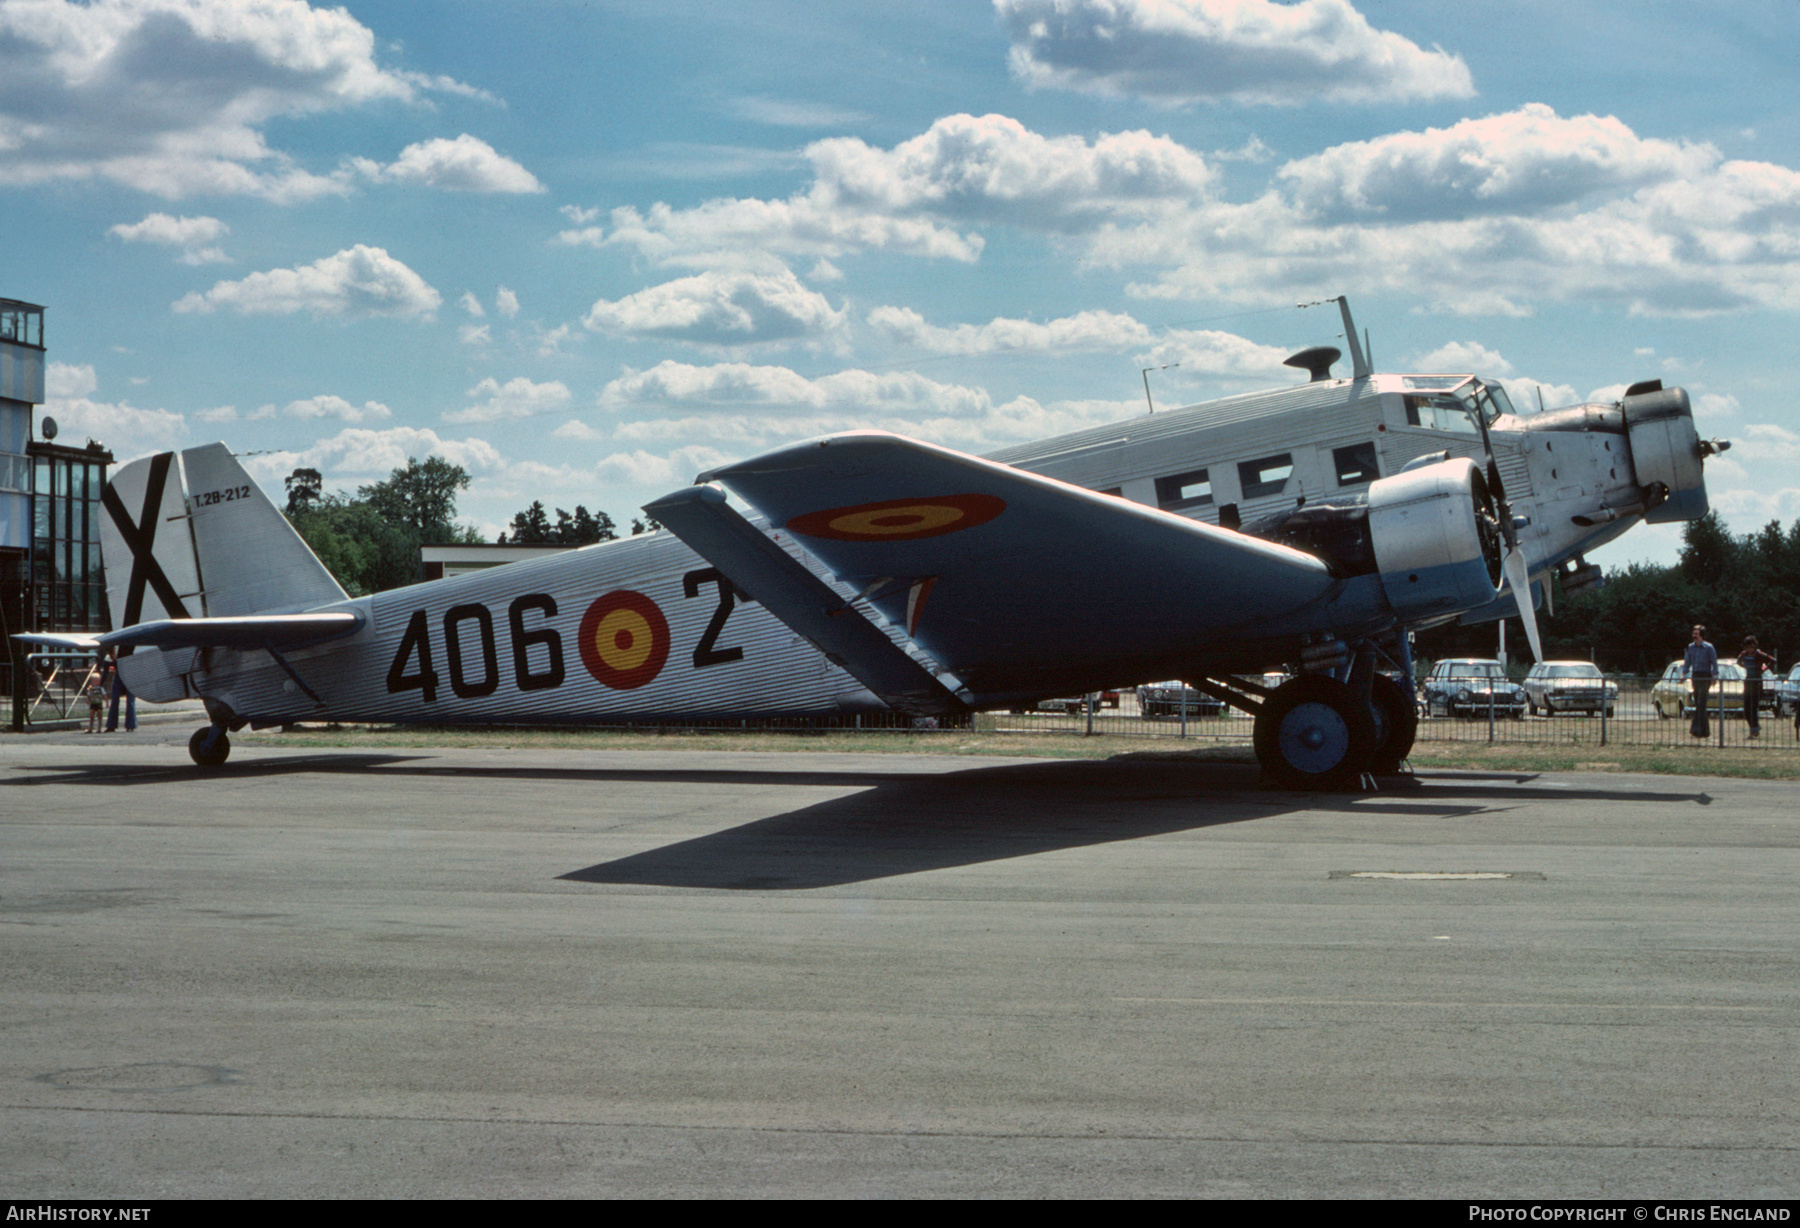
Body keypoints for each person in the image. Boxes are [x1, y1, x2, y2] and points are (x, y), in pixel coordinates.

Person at [1681, 625, 1718, 739]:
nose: (1694, 636)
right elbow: (1687, 662)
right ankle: (1702, 731)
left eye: (1696, 634)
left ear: (1701, 635)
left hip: (1705, 676)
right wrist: (1684, 673)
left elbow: (1714, 662)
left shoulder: (1709, 647)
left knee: (1702, 702)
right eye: (1693, 634)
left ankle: (1696, 730)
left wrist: (1714, 675)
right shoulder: (1691, 647)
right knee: (1698, 703)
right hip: (1695, 676)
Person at [1738, 636, 1777, 740]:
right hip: (1748, 681)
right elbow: (1738, 661)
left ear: (1755, 646)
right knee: (1746, 709)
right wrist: (1745, 666)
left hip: (1757, 682)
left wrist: (1763, 668)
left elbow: (1773, 660)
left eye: (1752, 647)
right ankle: (1755, 727)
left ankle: (1753, 731)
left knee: (1753, 708)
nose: (1750, 649)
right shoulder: (1744, 654)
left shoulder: (1759, 654)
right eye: (1748, 647)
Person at [84, 662, 107, 734]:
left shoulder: (100, 688)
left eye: (98, 681)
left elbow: (105, 694)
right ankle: (90, 728)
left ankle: (99, 728)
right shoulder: (90, 689)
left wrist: (106, 702)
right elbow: (88, 695)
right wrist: (87, 700)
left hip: (99, 703)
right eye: (95, 681)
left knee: (99, 714)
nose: (97, 683)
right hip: (93, 703)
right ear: (92, 682)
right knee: (91, 714)